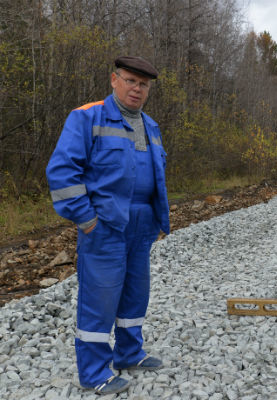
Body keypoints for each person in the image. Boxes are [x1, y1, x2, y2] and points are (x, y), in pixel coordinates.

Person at [46, 56, 170, 395]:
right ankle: (94, 373)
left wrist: (158, 218)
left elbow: (156, 176)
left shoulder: (151, 125)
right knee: (99, 301)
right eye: (130, 81)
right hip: (104, 226)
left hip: (141, 226)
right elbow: (61, 173)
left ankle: (129, 354)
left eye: (143, 84)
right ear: (113, 80)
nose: (137, 89)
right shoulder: (86, 116)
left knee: (135, 294)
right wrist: (87, 221)